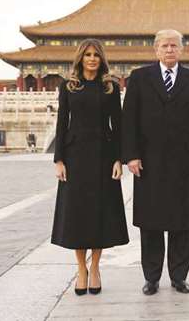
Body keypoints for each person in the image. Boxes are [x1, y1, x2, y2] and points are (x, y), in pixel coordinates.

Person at [121, 29, 189, 295]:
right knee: (150, 222)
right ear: (156, 50)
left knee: (180, 221)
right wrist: (131, 155)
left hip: (182, 161)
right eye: (165, 46)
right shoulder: (139, 78)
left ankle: (179, 276)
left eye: (174, 45)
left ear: (182, 50)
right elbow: (129, 120)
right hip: (147, 162)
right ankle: (151, 277)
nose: (170, 50)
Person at [52, 39, 129, 296]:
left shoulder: (110, 87)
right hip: (75, 158)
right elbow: (62, 123)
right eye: (87, 55)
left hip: (103, 157)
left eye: (96, 55)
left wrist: (118, 159)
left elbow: (117, 126)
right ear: (80, 59)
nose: (92, 59)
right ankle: (80, 269)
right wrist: (59, 160)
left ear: (102, 59)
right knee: (77, 214)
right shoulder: (69, 86)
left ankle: (95, 267)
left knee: (100, 213)